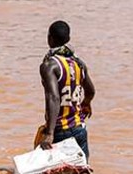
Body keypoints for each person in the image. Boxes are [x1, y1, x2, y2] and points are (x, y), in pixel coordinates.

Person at [37, 20, 96, 159]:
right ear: (68, 39)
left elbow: (53, 98)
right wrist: (86, 103)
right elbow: (91, 91)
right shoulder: (79, 64)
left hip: (60, 131)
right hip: (79, 129)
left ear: (49, 39)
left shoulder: (50, 66)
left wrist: (50, 133)